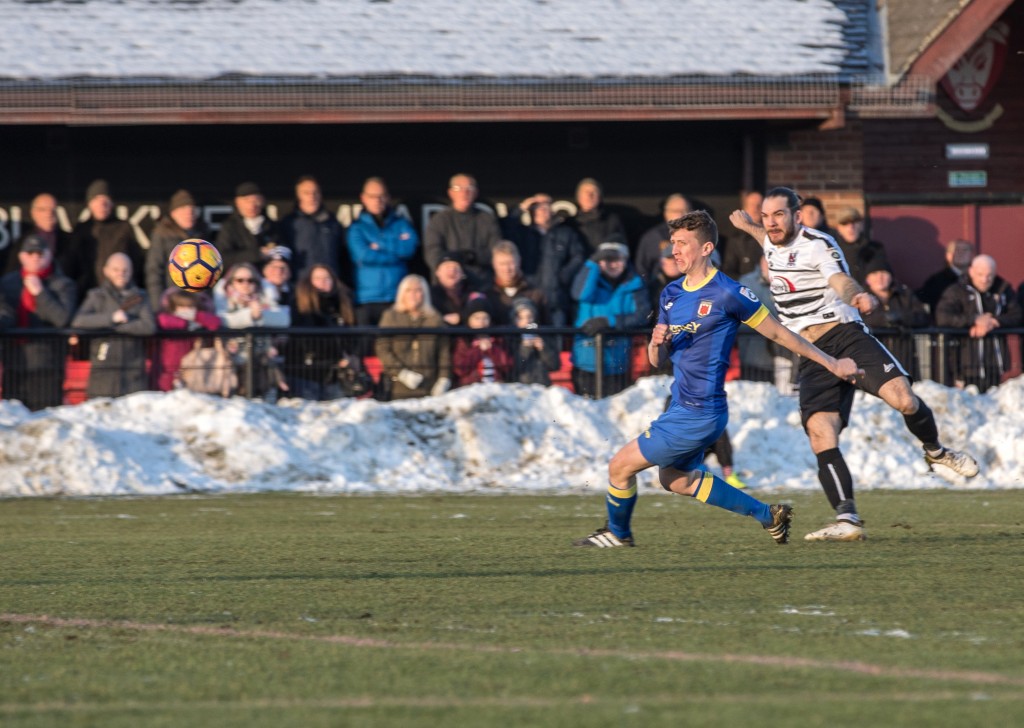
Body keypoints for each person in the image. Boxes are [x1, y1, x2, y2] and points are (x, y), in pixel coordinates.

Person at [573, 210, 861, 548]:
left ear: (707, 247)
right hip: (682, 405)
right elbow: (657, 359)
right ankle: (770, 516)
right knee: (675, 480)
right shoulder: (671, 293)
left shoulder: (729, 293)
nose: (675, 251)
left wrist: (831, 363)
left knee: (620, 466)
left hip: (699, 411)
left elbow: (781, 335)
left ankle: (618, 534)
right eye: (673, 244)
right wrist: (655, 343)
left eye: (683, 244)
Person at [729, 187, 979, 542]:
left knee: (905, 400)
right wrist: (748, 225)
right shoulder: (770, 238)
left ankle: (937, 452)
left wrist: (857, 295)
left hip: (846, 336)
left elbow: (838, 279)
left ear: (797, 216)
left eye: (779, 215)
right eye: (766, 217)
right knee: (821, 435)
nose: (771, 223)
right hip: (812, 353)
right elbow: (765, 237)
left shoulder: (818, 244)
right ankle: (847, 519)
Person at [0, 236, 77, 410]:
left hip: (47, 364)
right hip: (14, 362)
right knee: (16, 420)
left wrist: (41, 294)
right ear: (22, 257)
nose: (35, 257)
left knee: (45, 420)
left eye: (40, 253)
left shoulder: (63, 284)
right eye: (30, 253)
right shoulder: (8, 283)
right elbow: (5, 314)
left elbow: (62, 319)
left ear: (49, 256)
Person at [570, 239, 651, 398]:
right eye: (607, 259)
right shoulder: (590, 281)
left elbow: (642, 315)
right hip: (586, 361)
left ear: (625, 260)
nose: (612, 264)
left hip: (618, 363)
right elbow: (579, 293)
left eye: (617, 259)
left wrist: (610, 322)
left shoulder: (635, 284)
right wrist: (593, 264)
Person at [71, 252, 156, 399]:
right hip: (103, 373)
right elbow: (79, 321)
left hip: (133, 374)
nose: (121, 274)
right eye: (116, 270)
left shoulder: (141, 297)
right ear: (106, 271)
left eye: (125, 270)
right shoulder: (96, 296)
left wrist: (120, 327)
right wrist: (111, 318)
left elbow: (149, 326)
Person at [281, 264, 371, 400]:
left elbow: (352, 334)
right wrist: (336, 358)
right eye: (317, 278)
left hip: (336, 374)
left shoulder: (343, 303)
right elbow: (305, 338)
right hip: (305, 373)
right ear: (309, 281)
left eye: (327, 278)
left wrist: (351, 356)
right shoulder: (300, 305)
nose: (322, 282)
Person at [935, 254, 1023, 392]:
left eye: (989, 275)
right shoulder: (956, 291)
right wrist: (974, 320)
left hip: (995, 362)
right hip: (965, 362)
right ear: (971, 271)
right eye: (980, 274)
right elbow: (943, 316)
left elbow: (1017, 314)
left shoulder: (1003, 289)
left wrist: (994, 321)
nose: (984, 280)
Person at [502, 193, 587, 327]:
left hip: (556, 300)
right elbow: (506, 230)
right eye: (537, 206)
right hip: (528, 300)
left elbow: (579, 256)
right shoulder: (524, 234)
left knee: (556, 340)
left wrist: (563, 276)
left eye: (546, 205)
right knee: (527, 341)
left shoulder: (565, 232)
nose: (542, 209)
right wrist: (521, 209)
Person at [347, 176, 420, 327]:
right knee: (367, 348)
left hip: (397, 298)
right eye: (372, 196)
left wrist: (379, 244)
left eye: (381, 196)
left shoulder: (401, 224)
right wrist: (396, 253)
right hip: (366, 299)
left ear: (387, 198)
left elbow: (409, 249)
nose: (377, 200)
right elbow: (363, 256)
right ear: (363, 198)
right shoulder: (356, 228)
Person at [215, 262, 291, 398]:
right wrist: (250, 315)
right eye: (240, 280)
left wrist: (260, 314)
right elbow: (221, 320)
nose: (246, 284)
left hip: (261, 360)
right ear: (231, 282)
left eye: (251, 280)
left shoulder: (264, 299)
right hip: (233, 361)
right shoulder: (223, 300)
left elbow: (283, 319)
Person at [65, 179, 143, 302]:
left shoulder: (123, 228)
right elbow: (71, 265)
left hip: (119, 295)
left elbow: (137, 262)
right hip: (88, 296)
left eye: (106, 200)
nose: (102, 205)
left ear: (112, 204)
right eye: (97, 200)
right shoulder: (81, 230)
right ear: (89, 204)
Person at [376, 274, 452, 400]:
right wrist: (402, 373)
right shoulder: (391, 316)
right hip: (399, 387)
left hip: (430, 387)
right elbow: (382, 349)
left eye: (418, 290)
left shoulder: (435, 319)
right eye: (409, 290)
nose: (413, 294)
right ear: (402, 294)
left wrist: (444, 379)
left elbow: (444, 352)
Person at [422, 173, 502, 282]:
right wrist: (450, 263)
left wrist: (472, 257)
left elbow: (496, 251)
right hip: (448, 284)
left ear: (476, 193)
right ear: (450, 193)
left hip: (481, 282)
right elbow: (432, 252)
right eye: (458, 188)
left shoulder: (487, 219)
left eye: (470, 188)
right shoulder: (439, 220)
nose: (465, 192)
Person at [860, 258, 930, 377]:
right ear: (867, 279)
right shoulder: (860, 298)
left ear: (891, 276)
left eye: (884, 273)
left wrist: (900, 317)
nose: (880, 278)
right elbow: (858, 319)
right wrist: (885, 319)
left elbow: (922, 316)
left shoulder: (904, 294)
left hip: (904, 356)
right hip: (873, 357)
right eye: (875, 273)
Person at [737, 256, 797, 393]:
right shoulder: (747, 283)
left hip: (784, 349)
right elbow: (742, 315)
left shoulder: (790, 282)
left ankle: (790, 389)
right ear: (761, 261)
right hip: (754, 350)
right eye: (768, 262)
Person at [279, 175, 350, 285]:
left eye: (315, 192)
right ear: (298, 195)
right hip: (302, 286)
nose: (312, 196)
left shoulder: (333, 222)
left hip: (330, 286)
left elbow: (343, 256)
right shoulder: (289, 223)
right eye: (306, 193)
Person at [145, 188, 210, 309]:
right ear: (173, 213)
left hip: (198, 301)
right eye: (184, 209)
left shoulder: (202, 233)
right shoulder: (161, 234)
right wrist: (158, 306)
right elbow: (154, 272)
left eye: (192, 210)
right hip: (172, 302)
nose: (189, 214)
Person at [154, 290, 222, 392]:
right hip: (167, 369)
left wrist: (196, 316)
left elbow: (215, 322)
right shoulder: (166, 318)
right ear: (174, 307)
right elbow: (163, 320)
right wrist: (186, 324)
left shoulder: (196, 319)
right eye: (182, 307)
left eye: (190, 307)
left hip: (191, 367)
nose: (186, 311)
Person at [452, 293, 514, 388]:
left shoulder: (498, 339)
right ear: (469, 320)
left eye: (485, 318)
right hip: (470, 387)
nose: (481, 322)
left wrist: (492, 349)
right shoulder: (463, 341)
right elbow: (460, 369)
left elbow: (507, 365)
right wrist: (478, 350)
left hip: (496, 386)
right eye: (477, 318)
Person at [215, 182, 280, 270]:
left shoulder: (273, 226)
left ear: (262, 201)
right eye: (246, 200)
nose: (251, 205)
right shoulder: (229, 227)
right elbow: (223, 257)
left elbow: (283, 250)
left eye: (255, 200)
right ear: (237, 202)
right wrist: (257, 254)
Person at [5, 192, 72, 276]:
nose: (49, 214)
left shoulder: (70, 240)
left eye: (52, 210)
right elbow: (12, 272)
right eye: (43, 210)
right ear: (33, 213)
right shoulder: (22, 242)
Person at [483, 240, 547, 326]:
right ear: (494, 264)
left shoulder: (535, 293)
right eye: (502, 264)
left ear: (519, 261)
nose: (507, 269)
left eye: (511, 263)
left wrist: (533, 334)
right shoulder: (486, 294)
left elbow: (545, 326)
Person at [634, 193, 692, 284]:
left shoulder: (700, 236)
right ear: (666, 213)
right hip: (659, 291)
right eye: (676, 211)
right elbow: (641, 270)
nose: (682, 214)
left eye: (686, 210)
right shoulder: (652, 237)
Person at [832, 206, 889, 287]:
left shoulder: (875, 249)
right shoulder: (832, 252)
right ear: (838, 228)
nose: (851, 227)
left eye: (854, 221)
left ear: (861, 225)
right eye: (845, 223)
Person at [916, 239, 975, 315]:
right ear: (948, 256)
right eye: (956, 250)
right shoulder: (936, 281)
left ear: (972, 255)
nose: (961, 253)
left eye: (965, 250)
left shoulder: (981, 280)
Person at [569, 177, 626, 255]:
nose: (590, 196)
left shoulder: (612, 220)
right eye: (586, 192)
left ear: (600, 197)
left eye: (594, 192)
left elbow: (621, 249)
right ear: (579, 197)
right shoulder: (570, 223)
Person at [510, 297, 560, 386]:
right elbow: (513, 368)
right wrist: (525, 348)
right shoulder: (510, 339)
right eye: (520, 318)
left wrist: (543, 349)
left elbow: (555, 365)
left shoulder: (543, 336)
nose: (526, 321)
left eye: (529, 317)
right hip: (519, 389)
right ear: (514, 319)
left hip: (542, 386)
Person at [720, 190, 764, 281]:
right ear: (744, 208)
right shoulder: (736, 240)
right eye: (751, 205)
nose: (755, 209)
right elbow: (728, 270)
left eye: (759, 205)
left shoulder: (772, 236)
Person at [429, 252, 480, 328]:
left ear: (462, 273)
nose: (452, 271)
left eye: (455, 267)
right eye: (447, 267)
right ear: (437, 272)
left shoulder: (473, 293)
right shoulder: (430, 295)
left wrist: (461, 317)